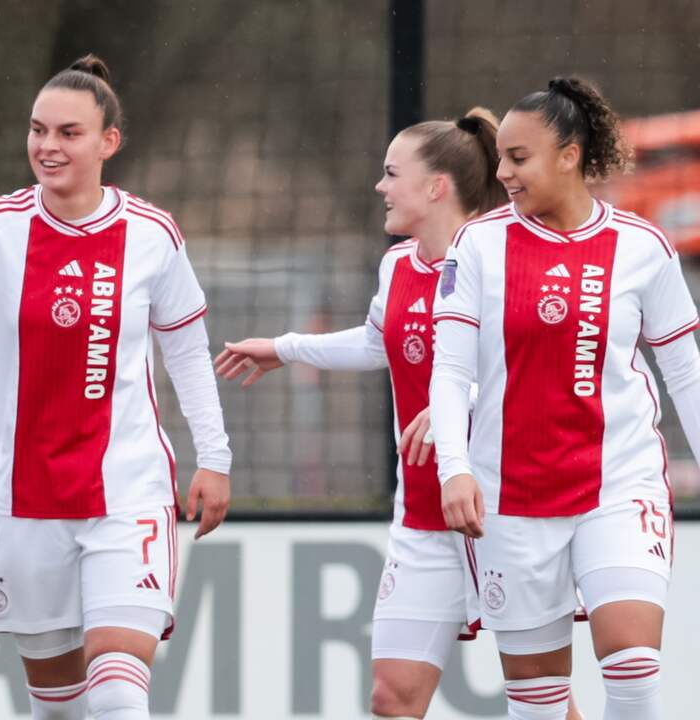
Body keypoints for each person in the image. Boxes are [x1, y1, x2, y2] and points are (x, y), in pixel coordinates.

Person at [0, 55, 231, 720]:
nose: (47, 146)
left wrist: (215, 456)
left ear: (108, 142)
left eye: (68, 133)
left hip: (127, 492)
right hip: (26, 500)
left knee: (118, 694)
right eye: (38, 130)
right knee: (59, 708)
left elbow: (185, 348)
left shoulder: (153, 235)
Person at [213, 109, 588, 720]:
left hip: (501, 512)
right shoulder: (398, 264)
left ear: (436, 186)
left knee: (540, 698)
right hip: (423, 517)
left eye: (392, 173)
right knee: (393, 698)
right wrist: (284, 348)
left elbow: (528, 370)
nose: (380, 187)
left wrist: (454, 410)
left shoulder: (505, 259)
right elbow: (376, 341)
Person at [430, 77, 700, 720]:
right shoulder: (479, 245)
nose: (504, 173)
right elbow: (449, 369)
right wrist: (456, 467)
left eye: (519, 158)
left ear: (570, 155)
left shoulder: (643, 248)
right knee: (540, 701)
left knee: (633, 664)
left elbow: (684, 373)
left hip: (618, 483)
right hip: (508, 497)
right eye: (502, 160)